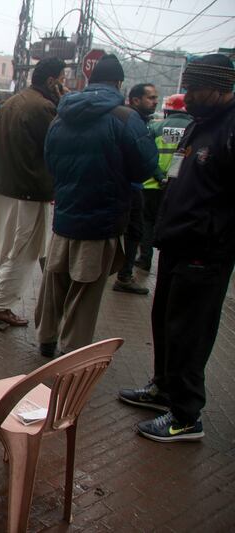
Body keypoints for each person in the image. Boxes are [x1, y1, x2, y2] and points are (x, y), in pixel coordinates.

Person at [119, 54, 235, 443]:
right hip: (176, 244)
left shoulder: (230, 128)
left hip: (206, 252)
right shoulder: (199, 126)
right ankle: (164, 389)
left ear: (219, 88)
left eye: (193, 88)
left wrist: (213, 232)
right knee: (166, 322)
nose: (186, 96)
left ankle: (186, 416)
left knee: (190, 332)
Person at [35, 54, 157, 358]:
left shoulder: (61, 117)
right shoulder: (125, 118)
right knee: (86, 289)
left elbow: (50, 162)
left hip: (65, 215)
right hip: (103, 217)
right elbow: (144, 167)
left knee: (55, 279)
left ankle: (46, 338)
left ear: (90, 81)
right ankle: (72, 349)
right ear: (118, 83)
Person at [0, 58, 66, 328]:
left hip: (4, 186)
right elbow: (55, 148)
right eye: (61, 79)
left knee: (6, 248)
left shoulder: (11, 102)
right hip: (27, 189)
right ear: (52, 80)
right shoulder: (43, 107)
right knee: (24, 251)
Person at [135, 94, 192, 273]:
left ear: (167, 110)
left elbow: (147, 155)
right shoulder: (194, 129)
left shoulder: (155, 126)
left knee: (147, 222)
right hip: (180, 188)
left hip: (152, 185)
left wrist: (160, 177)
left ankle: (145, 258)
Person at [112, 83, 159, 295]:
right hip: (131, 186)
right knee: (133, 231)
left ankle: (121, 273)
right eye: (150, 97)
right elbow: (143, 158)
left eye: (156, 97)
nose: (155, 101)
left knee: (129, 231)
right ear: (135, 100)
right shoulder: (132, 121)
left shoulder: (133, 120)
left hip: (132, 185)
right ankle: (124, 275)